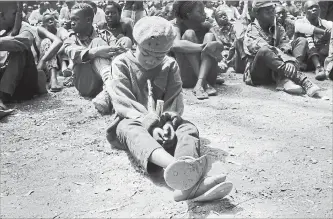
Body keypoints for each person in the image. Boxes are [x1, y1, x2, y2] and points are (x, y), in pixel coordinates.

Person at [106, 16, 233, 202]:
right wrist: (150, 124)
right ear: (136, 43)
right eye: (146, 53)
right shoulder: (121, 63)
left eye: (158, 56)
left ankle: (187, 167)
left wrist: (168, 120)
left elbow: (174, 101)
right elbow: (123, 102)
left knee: (187, 127)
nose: (151, 60)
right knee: (131, 129)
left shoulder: (170, 64)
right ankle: (185, 173)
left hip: (164, 125)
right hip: (133, 120)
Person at [243, 0, 320, 97]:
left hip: (278, 67)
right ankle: (301, 79)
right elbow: (266, 48)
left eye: (272, 10)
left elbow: (285, 44)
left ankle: (284, 79)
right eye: (267, 11)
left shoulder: (277, 27)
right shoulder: (251, 30)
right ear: (257, 14)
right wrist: (286, 58)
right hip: (259, 73)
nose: (272, 14)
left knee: (301, 41)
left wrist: (289, 60)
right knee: (264, 50)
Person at [63, 3, 125, 113]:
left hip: (101, 85)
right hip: (86, 83)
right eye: (71, 19)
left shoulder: (105, 34)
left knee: (113, 46)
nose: (72, 22)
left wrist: (119, 49)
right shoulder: (70, 38)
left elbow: (117, 52)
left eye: (76, 19)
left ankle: (107, 92)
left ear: (88, 20)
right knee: (98, 42)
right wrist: (97, 51)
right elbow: (72, 51)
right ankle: (111, 87)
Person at [171, 1, 224, 100]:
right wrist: (204, 47)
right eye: (200, 11)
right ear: (189, 15)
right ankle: (202, 83)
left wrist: (214, 45)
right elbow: (175, 45)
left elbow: (220, 45)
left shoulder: (207, 25)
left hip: (209, 76)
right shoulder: (176, 26)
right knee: (189, 34)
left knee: (210, 36)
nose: (204, 14)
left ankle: (200, 83)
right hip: (186, 77)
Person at [0, 2, 45, 114]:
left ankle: (1, 96)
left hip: (22, 84)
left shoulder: (24, 26)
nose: (21, 15)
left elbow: (24, 41)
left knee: (21, 48)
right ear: (2, 15)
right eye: (15, 13)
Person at [294, 0, 333, 80]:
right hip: (303, 58)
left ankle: (327, 68)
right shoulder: (299, 22)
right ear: (304, 11)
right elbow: (308, 29)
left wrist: (328, 37)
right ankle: (318, 67)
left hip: (320, 55)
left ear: (320, 9)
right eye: (310, 8)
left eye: (316, 7)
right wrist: (324, 32)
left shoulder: (324, 23)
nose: (314, 9)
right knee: (305, 38)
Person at [211, 7, 237, 73]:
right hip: (222, 50)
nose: (224, 17)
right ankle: (223, 66)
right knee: (221, 57)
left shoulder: (231, 26)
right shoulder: (214, 29)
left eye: (225, 15)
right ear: (216, 20)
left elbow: (234, 39)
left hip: (231, 49)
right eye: (221, 16)